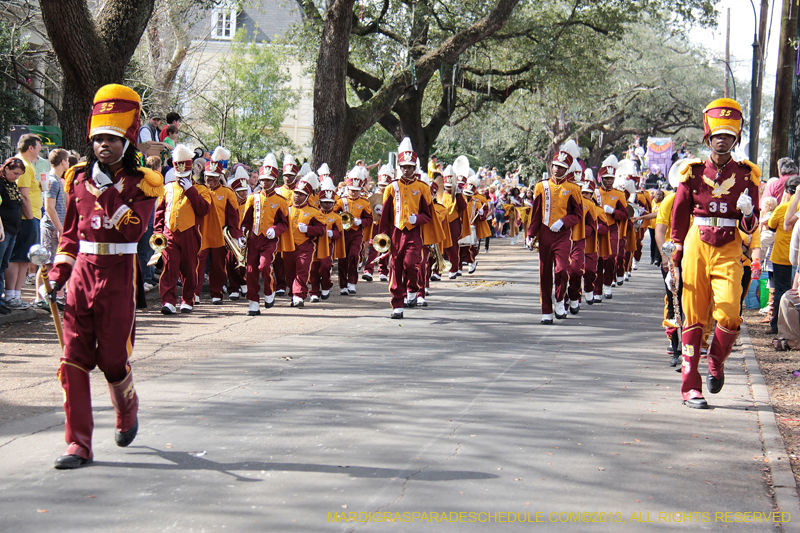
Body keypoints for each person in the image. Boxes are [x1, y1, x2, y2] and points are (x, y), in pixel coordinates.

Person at [46, 84, 164, 468]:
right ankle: (78, 443)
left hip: (118, 276)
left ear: (127, 141)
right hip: (82, 274)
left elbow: (133, 231)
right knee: (73, 360)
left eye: (112, 139)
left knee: (113, 360)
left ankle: (126, 408)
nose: (103, 146)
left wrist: (109, 189)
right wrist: (57, 273)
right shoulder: (76, 179)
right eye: (98, 139)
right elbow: (69, 237)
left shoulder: (143, 182)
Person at [670, 98, 760, 409]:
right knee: (692, 314)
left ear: (736, 139)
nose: (723, 140)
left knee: (730, 314)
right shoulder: (692, 171)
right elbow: (680, 216)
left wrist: (748, 214)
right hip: (698, 240)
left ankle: (716, 361)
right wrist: (675, 254)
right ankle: (690, 386)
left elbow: (752, 225)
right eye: (718, 135)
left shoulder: (747, 175)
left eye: (729, 136)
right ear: (708, 137)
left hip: (730, 242)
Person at [377, 138, 444, 319]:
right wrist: (382, 237)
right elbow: (385, 216)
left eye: (410, 167)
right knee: (395, 267)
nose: (407, 170)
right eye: (404, 167)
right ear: (400, 167)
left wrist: (418, 218)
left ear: (415, 168)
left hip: (414, 234)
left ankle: (413, 289)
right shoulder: (391, 188)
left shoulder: (422, 188)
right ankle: (397, 305)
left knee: (411, 264)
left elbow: (429, 215)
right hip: (396, 233)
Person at [526, 140, 583, 324]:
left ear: (567, 169)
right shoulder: (541, 186)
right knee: (544, 274)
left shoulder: (573, 189)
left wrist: (564, 221)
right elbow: (535, 214)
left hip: (562, 235)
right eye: (555, 166)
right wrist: (530, 235)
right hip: (544, 234)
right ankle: (546, 311)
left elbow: (578, 215)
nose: (556, 170)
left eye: (561, 167)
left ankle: (559, 300)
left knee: (561, 269)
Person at [153, 144, 212, 314]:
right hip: (170, 233)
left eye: (185, 175)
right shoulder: (168, 188)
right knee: (169, 267)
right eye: (179, 174)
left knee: (189, 268)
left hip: (190, 233)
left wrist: (190, 190)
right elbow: (160, 211)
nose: (181, 178)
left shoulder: (201, 190)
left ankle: (187, 299)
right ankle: (168, 301)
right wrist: (158, 232)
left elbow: (204, 210)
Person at [241, 154, 294, 315]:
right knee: (251, 271)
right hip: (253, 238)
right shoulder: (252, 197)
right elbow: (246, 221)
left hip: (269, 240)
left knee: (264, 266)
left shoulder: (281, 201)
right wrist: (242, 234)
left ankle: (270, 291)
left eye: (268, 180)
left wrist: (275, 230)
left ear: (274, 181)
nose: (264, 183)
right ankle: (253, 302)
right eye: (263, 180)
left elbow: (285, 223)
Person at [195, 146, 241, 305]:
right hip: (200, 235)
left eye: (214, 177)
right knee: (197, 266)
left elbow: (233, 217)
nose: (211, 180)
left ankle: (217, 293)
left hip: (220, 236)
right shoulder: (198, 190)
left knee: (218, 266)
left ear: (219, 176)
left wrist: (235, 236)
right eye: (208, 177)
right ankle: (194, 294)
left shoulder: (228, 193)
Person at [5, 134, 43, 309]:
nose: (40, 150)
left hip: (31, 216)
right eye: (38, 146)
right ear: (31, 148)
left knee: (23, 258)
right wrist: (29, 218)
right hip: (26, 218)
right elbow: (24, 196)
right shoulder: (23, 165)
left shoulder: (29, 166)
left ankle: (16, 295)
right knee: (17, 257)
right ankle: (11, 294)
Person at [284, 172, 329, 307]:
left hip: (305, 246)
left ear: (307, 197)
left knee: (302, 270)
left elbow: (322, 230)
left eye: (301, 194)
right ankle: (293, 293)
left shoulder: (314, 212)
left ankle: (299, 295)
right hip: (288, 246)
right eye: (296, 193)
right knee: (289, 272)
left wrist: (308, 230)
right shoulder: (287, 210)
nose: (297, 196)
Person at [34, 149, 70, 311]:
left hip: (57, 227)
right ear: (63, 162)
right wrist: (60, 228)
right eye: (67, 160)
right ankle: (39, 297)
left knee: (54, 263)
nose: (68, 163)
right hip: (51, 228)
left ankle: (52, 296)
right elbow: (49, 207)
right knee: (47, 264)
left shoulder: (57, 179)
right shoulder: (51, 181)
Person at [766, 175, 800, 334]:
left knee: (780, 291)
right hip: (796, 259)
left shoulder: (782, 208)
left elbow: (772, 225)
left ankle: (778, 325)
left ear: (787, 191)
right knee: (794, 293)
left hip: (781, 257)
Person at [335, 167, 373, 295]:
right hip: (343, 233)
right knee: (342, 258)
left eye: (357, 190)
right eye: (352, 190)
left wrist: (360, 221)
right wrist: (339, 219)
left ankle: (352, 282)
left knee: (354, 256)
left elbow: (369, 218)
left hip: (356, 233)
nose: (354, 193)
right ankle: (343, 285)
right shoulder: (341, 201)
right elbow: (332, 214)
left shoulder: (364, 202)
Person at [310, 178, 345, 302]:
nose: (328, 205)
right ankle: (314, 291)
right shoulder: (313, 213)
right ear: (320, 202)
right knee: (313, 268)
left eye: (331, 202)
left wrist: (332, 233)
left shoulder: (336, 217)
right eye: (325, 202)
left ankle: (325, 286)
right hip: (314, 245)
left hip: (327, 245)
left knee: (324, 267)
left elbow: (339, 234)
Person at [0, 157, 25, 315]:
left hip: (13, 229)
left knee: (3, 265)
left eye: (19, 175)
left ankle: (1, 300)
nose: (16, 177)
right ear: (6, 169)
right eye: (14, 173)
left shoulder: (11, 184)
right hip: (4, 229)